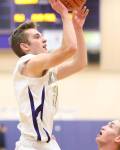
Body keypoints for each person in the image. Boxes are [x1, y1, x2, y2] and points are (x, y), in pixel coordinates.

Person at [9, 0, 89, 149]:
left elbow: (80, 63)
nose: (44, 39)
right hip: (31, 146)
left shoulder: (42, 73)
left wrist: (78, 29)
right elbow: (70, 48)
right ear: (25, 46)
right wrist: (65, 15)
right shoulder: (28, 64)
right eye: (37, 37)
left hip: (47, 143)